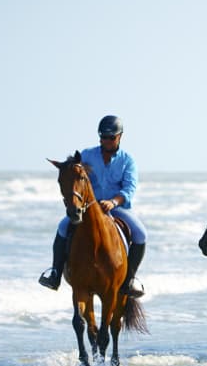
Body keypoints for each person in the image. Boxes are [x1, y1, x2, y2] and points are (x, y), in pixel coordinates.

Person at [38, 115, 148, 297]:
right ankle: (55, 274)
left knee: (141, 234)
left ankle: (129, 279)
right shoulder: (87, 155)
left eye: (111, 137)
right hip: (88, 208)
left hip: (117, 208)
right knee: (63, 227)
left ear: (120, 136)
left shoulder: (128, 161)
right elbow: (74, 172)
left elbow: (129, 188)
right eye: (103, 137)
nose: (106, 141)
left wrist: (113, 202)